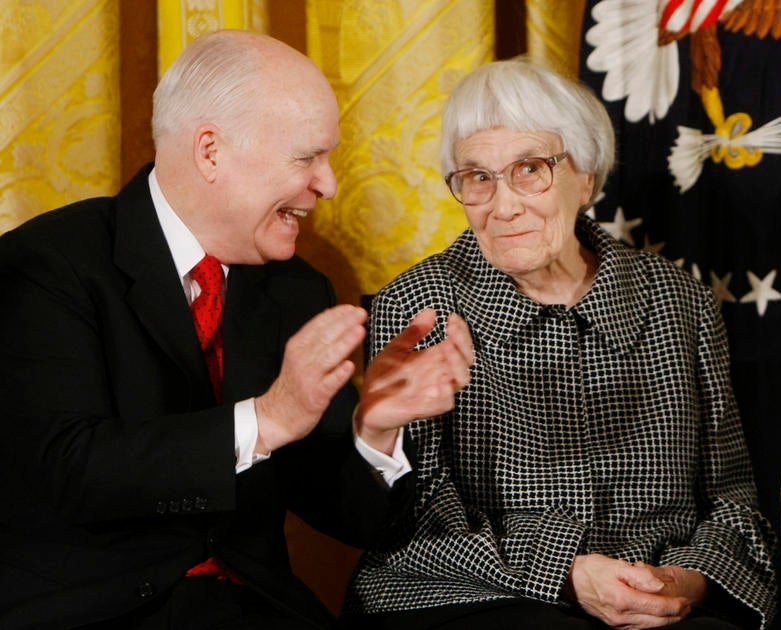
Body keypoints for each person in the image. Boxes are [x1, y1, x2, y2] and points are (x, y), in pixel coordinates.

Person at [0, 30, 474, 629]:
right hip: (89, 612)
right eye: (307, 158)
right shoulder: (47, 265)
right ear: (210, 152)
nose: (327, 184)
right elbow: (75, 472)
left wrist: (374, 430)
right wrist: (270, 418)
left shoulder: (298, 289)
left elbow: (351, 519)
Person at [341, 59, 777, 630]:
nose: (503, 205)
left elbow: (731, 496)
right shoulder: (419, 305)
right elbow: (414, 521)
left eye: (529, 169)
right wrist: (565, 572)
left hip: (659, 590)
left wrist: (685, 579)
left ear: (587, 178)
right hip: (480, 593)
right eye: (477, 177)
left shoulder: (678, 299)